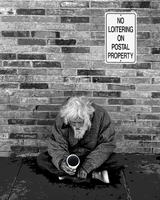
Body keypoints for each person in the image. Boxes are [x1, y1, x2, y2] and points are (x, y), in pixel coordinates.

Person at [37, 96, 124, 184]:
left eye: (80, 122)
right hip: (70, 158)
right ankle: (93, 176)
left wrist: (87, 166)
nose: (77, 126)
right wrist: (63, 163)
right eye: (73, 123)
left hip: (93, 157)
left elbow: (107, 144)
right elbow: (56, 144)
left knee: (118, 160)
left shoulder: (101, 115)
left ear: (87, 118)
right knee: (42, 159)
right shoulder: (62, 117)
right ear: (68, 119)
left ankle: (67, 176)